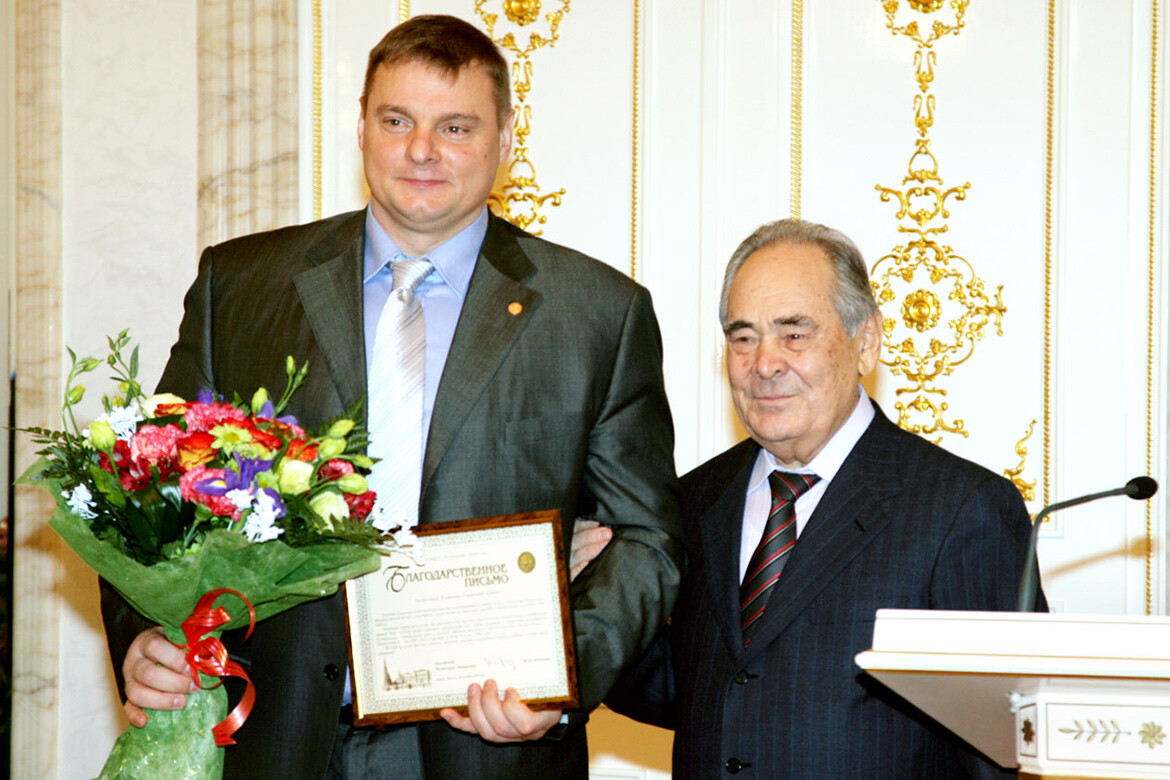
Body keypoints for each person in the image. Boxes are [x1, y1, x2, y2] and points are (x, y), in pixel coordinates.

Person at [100, 14, 682, 780]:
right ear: (362, 128)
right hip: (274, 738)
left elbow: (646, 540)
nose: (422, 150)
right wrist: (143, 634)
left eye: (456, 127)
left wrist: (562, 678)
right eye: (397, 120)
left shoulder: (597, 313)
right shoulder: (240, 285)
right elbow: (148, 492)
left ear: (506, 140)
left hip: (490, 748)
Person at [602, 218, 1044, 778]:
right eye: (743, 337)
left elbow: (1002, 741)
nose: (764, 363)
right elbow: (691, 691)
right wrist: (594, 596)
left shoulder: (962, 509)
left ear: (866, 343)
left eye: (794, 333)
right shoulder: (692, 500)